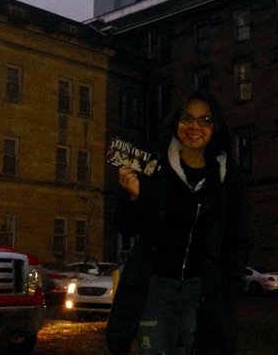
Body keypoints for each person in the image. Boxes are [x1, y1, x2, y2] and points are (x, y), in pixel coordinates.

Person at [106, 90, 253, 355]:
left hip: (203, 290)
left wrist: (227, 288)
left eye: (205, 120)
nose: (194, 126)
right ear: (176, 123)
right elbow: (127, 227)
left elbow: (238, 236)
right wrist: (132, 196)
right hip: (156, 286)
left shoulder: (228, 177)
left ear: (215, 126)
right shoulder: (155, 168)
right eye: (187, 118)